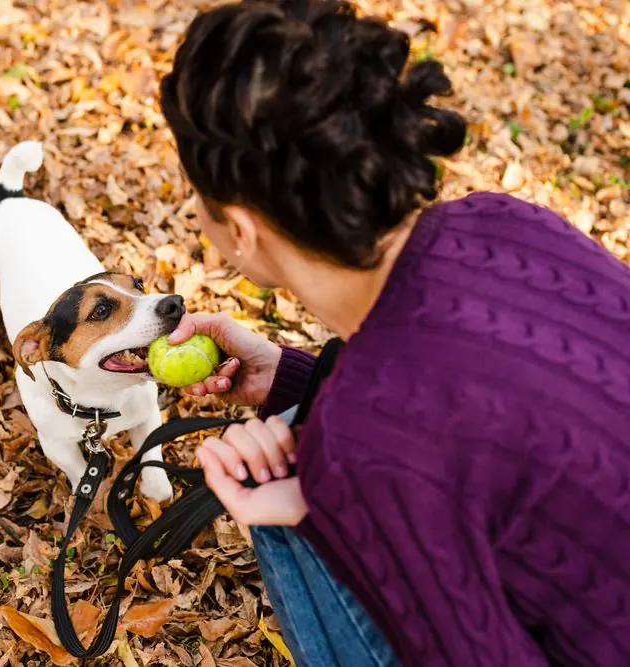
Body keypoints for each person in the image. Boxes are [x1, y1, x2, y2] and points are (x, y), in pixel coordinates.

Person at [158, 1, 630, 666]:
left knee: (279, 494)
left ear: (240, 229)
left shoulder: (358, 445)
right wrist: (294, 380)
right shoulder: (506, 221)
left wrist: (328, 506)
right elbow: (481, 406)